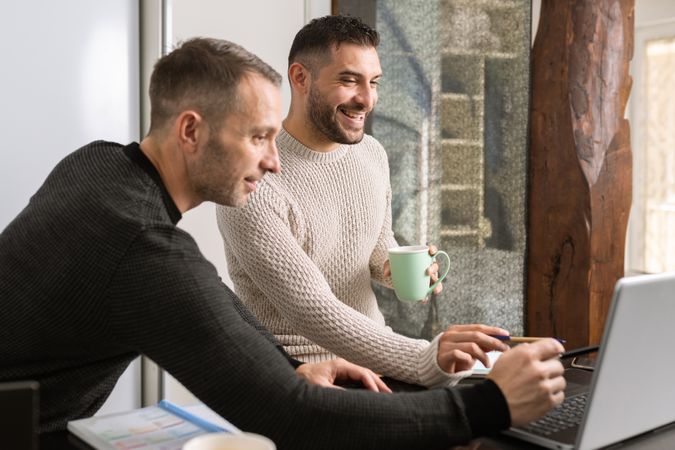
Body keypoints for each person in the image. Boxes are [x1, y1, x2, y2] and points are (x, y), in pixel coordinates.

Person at [0, 37, 566, 449]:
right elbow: (296, 418)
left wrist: (280, 367)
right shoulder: (142, 249)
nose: (273, 161)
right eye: (257, 137)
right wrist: (489, 403)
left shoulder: (98, 164)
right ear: (190, 130)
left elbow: (208, 299)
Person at [217, 15, 510, 388]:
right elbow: (313, 310)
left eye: (373, 83)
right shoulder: (252, 179)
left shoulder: (371, 153)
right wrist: (424, 358)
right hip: (304, 379)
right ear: (300, 77)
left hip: (380, 365)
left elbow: (374, 245)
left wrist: (395, 269)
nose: (367, 100)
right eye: (349, 80)